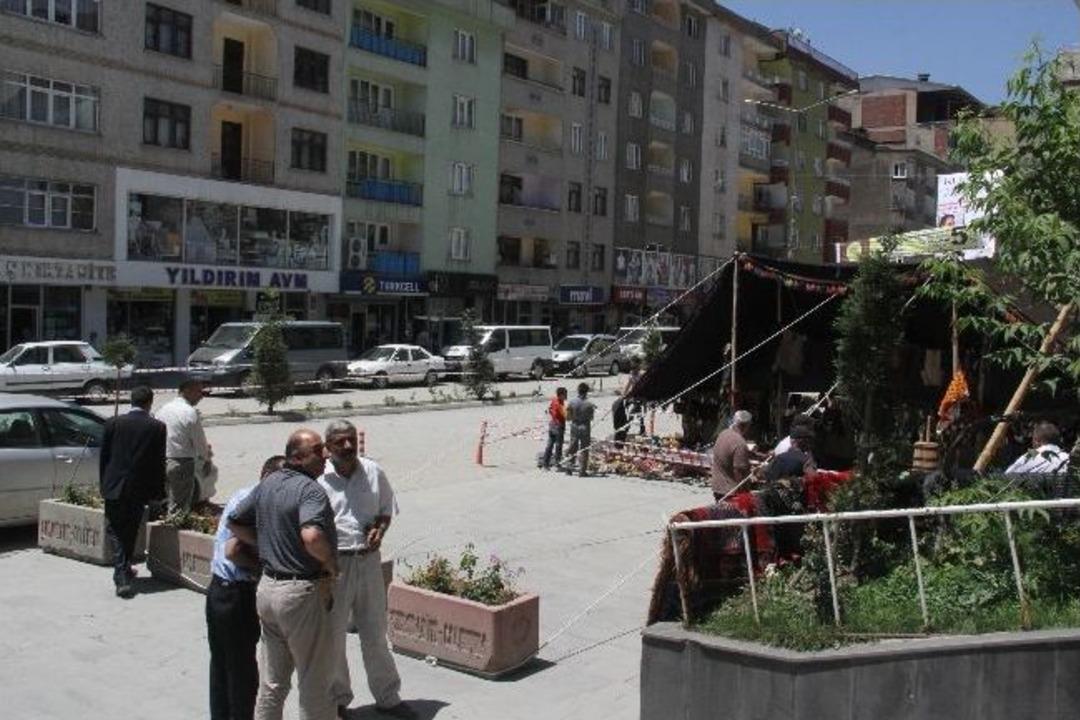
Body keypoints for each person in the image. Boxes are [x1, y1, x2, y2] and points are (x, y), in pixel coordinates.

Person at [227, 430, 340, 720]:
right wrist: (330, 563)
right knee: (315, 680)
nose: (326, 455)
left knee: (273, 682)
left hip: (267, 591)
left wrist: (266, 541)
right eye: (318, 450)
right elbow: (312, 536)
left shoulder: (269, 483)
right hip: (300, 593)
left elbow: (235, 522)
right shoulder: (310, 489)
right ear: (298, 457)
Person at [317, 421, 414, 720]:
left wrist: (380, 530)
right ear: (328, 447)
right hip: (334, 566)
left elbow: (386, 508)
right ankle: (339, 702)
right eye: (339, 442)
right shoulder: (317, 480)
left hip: (369, 562)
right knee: (333, 637)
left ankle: (388, 697)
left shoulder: (373, 471)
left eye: (350, 440)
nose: (347, 446)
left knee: (375, 630)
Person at [207, 455, 285, 720]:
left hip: (218, 590)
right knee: (242, 672)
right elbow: (234, 550)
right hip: (237, 595)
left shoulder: (244, 493)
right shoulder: (259, 502)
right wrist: (265, 565)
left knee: (222, 665)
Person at [99, 385, 166, 598]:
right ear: (149, 403)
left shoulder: (113, 423)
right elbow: (158, 462)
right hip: (138, 489)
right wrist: (158, 492)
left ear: (131, 401)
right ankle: (122, 573)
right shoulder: (157, 427)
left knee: (118, 529)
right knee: (127, 530)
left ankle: (123, 571)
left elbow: (105, 458)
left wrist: (104, 485)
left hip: (114, 487)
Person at [155, 376, 211, 514]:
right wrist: (206, 459)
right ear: (187, 390)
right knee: (180, 507)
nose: (201, 397)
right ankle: (173, 533)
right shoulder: (189, 412)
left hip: (162, 461)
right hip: (182, 462)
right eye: (199, 392)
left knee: (166, 502)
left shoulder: (162, 410)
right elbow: (199, 441)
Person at [711, 410, 753, 501]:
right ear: (746, 426)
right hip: (730, 492)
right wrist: (745, 494)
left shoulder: (723, 434)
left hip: (717, 486)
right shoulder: (740, 443)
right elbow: (739, 472)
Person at [1005, 421, 1070, 475]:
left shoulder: (1032, 453)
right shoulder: (1067, 457)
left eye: (1032, 439)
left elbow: (1008, 474)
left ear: (1037, 440)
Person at [563, 383, 596, 476]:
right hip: (585, 426)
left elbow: (568, 417)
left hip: (575, 425)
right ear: (586, 392)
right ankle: (582, 470)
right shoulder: (589, 404)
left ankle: (569, 468)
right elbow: (591, 417)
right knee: (584, 448)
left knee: (573, 446)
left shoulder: (572, 402)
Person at [540, 387, 568, 469]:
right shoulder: (559, 404)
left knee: (550, 445)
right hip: (558, 426)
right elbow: (566, 416)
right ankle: (557, 463)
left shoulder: (554, 400)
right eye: (565, 394)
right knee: (558, 445)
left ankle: (546, 463)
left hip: (552, 424)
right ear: (561, 395)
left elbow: (549, 409)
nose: (566, 396)